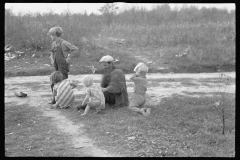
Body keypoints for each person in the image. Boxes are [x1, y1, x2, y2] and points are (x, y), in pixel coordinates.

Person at [47, 26, 78, 104]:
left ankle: (64, 99)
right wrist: (52, 58)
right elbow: (52, 52)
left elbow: (75, 49)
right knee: (55, 81)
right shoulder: (53, 43)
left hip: (63, 66)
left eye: (51, 35)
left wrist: (68, 58)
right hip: (56, 65)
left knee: (63, 82)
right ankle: (55, 99)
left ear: (55, 35)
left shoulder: (64, 43)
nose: (50, 36)